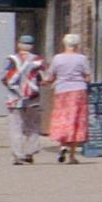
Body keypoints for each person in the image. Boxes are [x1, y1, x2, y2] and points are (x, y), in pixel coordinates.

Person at [37, 31, 94, 162]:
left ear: (64, 44)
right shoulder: (82, 58)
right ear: (77, 45)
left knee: (62, 118)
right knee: (76, 120)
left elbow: (50, 76)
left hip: (62, 90)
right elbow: (88, 76)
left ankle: (63, 145)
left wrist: (45, 81)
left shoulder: (58, 58)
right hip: (78, 90)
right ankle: (72, 156)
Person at [0, 40, 47, 160]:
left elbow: (3, 78)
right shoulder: (37, 60)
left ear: (19, 46)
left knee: (16, 126)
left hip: (14, 98)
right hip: (33, 98)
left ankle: (18, 154)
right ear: (31, 46)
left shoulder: (11, 60)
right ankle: (30, 150)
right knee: (33, 125)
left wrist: (14, 88)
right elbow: (44, 79)